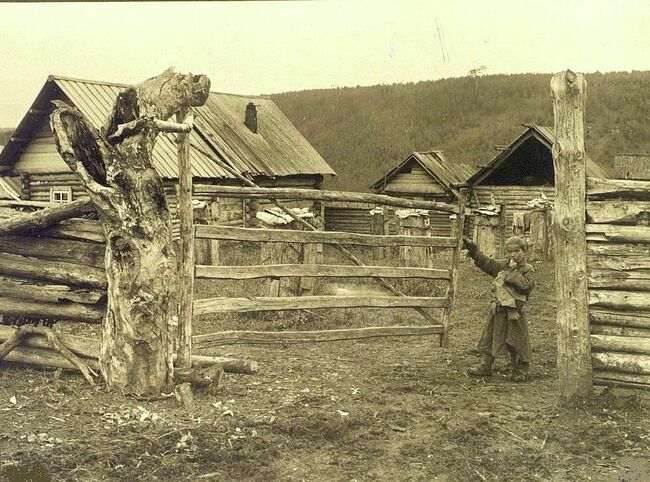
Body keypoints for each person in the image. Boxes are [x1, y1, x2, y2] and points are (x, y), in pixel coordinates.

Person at [463, 236, 535, 382]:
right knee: (489, 337)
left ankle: (520, 369)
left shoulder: (527, 269)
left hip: (514, 312)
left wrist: (512, 273)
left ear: (524, 252)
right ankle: (485, 366)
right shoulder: (503, 265)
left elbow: (526, 286)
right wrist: (473, 249)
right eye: (509, 251)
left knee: (517, 340)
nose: (512, 255)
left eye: (516, 251)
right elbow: (487, 263)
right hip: (498, 310)